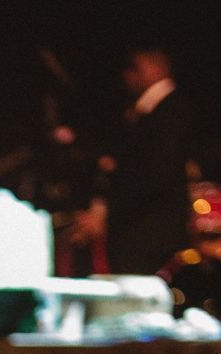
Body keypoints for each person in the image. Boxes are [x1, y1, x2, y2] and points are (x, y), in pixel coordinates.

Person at [71, 47, 194, 275]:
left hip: (147, 230)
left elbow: (154, 174)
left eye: (134, 68)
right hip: (145, 228)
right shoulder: (156, 111)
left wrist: (107, 214)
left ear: (156, 69)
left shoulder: (168, 112)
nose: (127, 76)